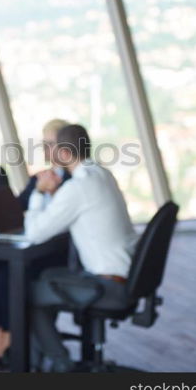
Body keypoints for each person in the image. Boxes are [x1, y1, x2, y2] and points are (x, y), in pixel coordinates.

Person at [26, 124, 138, 372]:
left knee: (25, 294)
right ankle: (39, 363)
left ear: (65, 154)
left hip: (107, 286)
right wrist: (56, 194)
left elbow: (34, 233)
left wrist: (38, 191)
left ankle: (62, 365)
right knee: (46, 277)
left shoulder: (76, 188)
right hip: (126, 277)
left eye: (53, 147)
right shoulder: (102, 174)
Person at [0, 119, 72, 368]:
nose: (46, 149)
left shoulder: (74, 183)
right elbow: (17, 208)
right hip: (29, 245)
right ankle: (1, 331)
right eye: (44, 143)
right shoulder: (37, 178)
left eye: (51, 143)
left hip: (55, 251)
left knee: (6, 273)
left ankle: (10, 335)